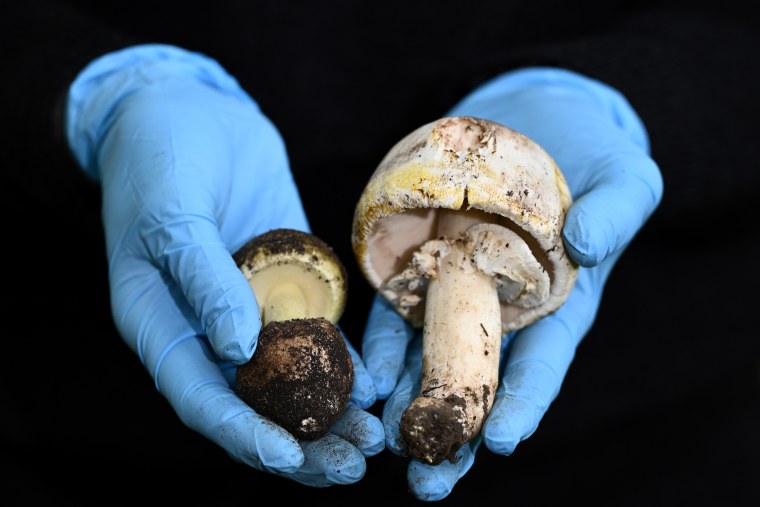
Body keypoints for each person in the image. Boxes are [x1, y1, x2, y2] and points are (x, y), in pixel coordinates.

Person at [4, 1, 759, 504]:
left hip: (647, 457)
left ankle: (445, 410)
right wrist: (95, 93)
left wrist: (630, 95)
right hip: (97, 441)